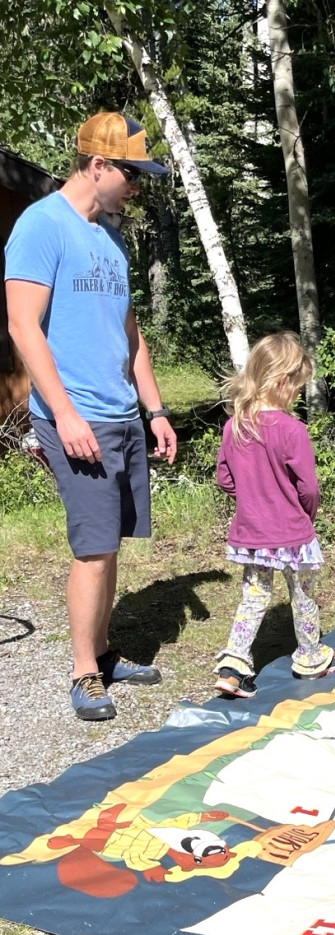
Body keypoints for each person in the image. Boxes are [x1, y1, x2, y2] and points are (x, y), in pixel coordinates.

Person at [4, 111, 177, 722]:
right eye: (131, 173)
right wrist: (64, 415)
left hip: (121, 412)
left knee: (113, 546)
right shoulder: (40, 226)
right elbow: (23, 326)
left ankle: (103, 654)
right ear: (98, 165)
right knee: (93, 550)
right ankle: (84, 673)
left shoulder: (111, 234)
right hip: (75, 419)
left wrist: (153, 408)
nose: (137, 186)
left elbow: (130, 332)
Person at [214, 331, 335, 697]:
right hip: (292, 532)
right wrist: (306, 515)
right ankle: (309, 657)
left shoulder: (234, 426)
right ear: (282, 381)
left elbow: (225, 478)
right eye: (298, 386)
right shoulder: (293, 430)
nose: (299, 393)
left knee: (253, 597)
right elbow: (309, 488)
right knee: (302, 593)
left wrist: (252, 500)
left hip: (252, 534)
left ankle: (233, 665)